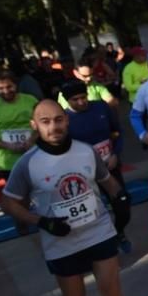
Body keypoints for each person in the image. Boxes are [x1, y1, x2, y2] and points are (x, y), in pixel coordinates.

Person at [2, 100, 135, 296]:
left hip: (98, 231)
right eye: (45, 121)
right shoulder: (28, 164)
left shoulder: (85, 151)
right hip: (61, 243)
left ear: (67, 120)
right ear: (34, 126)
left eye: (58, 119)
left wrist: (119, 196)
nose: (54, 126)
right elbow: (9, 203)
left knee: (112, 290)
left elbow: (106, 179)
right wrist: (42, 222)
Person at [60, 80, 131, 253]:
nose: (81, 102)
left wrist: (115, 153)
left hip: (110, 167)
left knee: (123, 205)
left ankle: (118, 231)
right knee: (94, 213)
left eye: (83, 97)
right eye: (75, 99)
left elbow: (117, 131)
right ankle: (103, 246)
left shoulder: (101, 107)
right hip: (85, 175)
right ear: (67, 101)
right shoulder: (63, 119)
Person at [0, 70, 38, 179]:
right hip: (7, 163)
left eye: (9, 86)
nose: (6, 91)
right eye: (0, 89)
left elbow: (42, 125)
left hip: (35, 156)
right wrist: (6, 145)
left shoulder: (31, 100)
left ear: (16, 85)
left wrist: (32, 139)